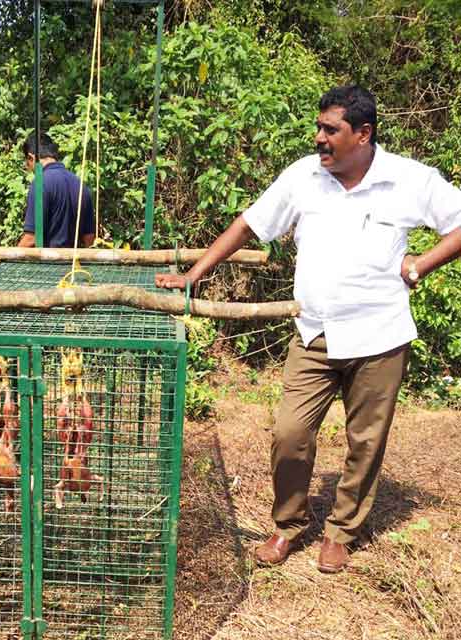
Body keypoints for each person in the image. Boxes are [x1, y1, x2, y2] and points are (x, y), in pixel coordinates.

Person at [156, 84, 461, 573]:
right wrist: (195, 275)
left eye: (330, 130)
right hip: (315, 332)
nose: (319, 138)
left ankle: (341, 531)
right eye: (318, 127)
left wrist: (421, 264)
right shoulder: (303, 177)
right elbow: (249, 224)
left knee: (365, 441)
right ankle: (288, 526)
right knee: (290, 433)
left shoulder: (409, 180)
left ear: (363, 134)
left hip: (380, 336)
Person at [18, 132, 95, 249]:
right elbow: (89, 240)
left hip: (48, 264)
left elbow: (31, 239)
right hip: (74, 265)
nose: (29, 168)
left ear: (31, 157)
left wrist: (10, 257)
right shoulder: (81, 185)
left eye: (27, 163)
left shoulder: (40, 182)